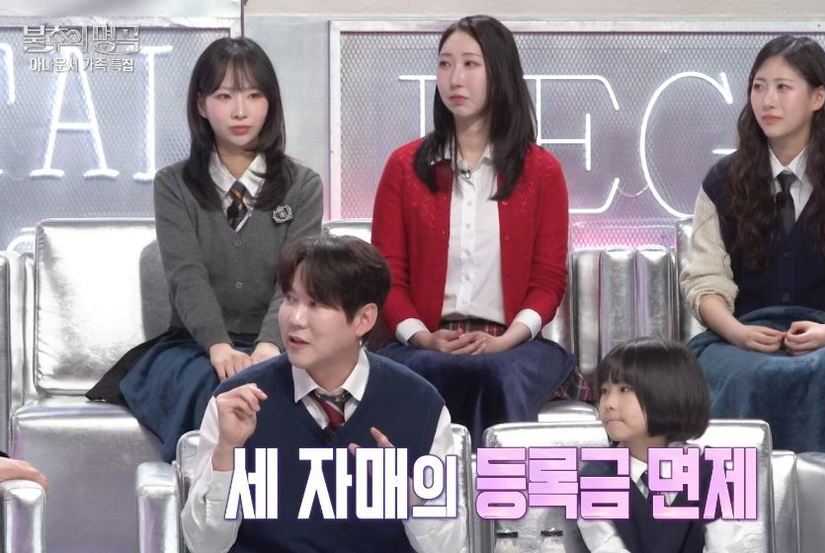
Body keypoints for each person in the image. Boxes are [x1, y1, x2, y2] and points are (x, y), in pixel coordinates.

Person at [87, 37, 323, 461]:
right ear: (201, 104)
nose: (240, 111)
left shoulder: (303, 185)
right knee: (216, 386)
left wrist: (270, 345)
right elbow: (186, 275)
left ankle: (284, 498)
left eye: (254, 96)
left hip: (286, 343)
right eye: (224, 96)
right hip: (196, 347)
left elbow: (298, 283)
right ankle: (211, 494)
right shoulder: (173, 185)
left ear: (270, 104)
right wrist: (218, 345)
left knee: (291, 385)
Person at [680, 35, 825, 462]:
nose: (767, 101)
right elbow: (705, 282)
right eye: (758, 87)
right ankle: (739, 500)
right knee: (743, 375)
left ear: (818, 97)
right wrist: (738, 332)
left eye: (783, 87)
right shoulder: (723, 182)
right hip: (742, 335)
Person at [181, 234, 466, 553]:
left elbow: (450, 547)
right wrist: (227, 452)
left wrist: (409, 495)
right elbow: (203, 546)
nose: (295, 319)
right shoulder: (237, 401)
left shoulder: (420, 405)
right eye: (290, 299)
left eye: (316, 304)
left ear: (364, 319)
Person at [371, 15, 577, 447]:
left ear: (499, 73)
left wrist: (508, 340)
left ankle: (501, 491)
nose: (455, 78)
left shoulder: (542, 172)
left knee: (496, 375)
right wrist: (424, 337)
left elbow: (547, 283)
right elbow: (386, 277)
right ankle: (420, 490)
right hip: (426, 341)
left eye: (470, 64)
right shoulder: (404, 168)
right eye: (445, 64)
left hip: (512, 343)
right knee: (423, 376)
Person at [578, 337, 747, 553]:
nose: (609, 404)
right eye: (604, 391)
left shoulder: (710, 473)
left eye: (625, 389)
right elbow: (606, 547)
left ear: (668, 393)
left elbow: (726, 547)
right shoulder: (596, 478)